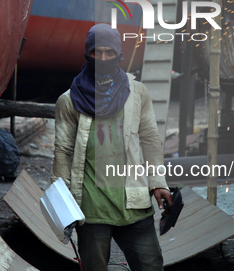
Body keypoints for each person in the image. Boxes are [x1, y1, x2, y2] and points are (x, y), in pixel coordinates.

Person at [51, 23, 172, 271]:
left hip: (135, 203)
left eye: (109, 52)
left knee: (151, 266)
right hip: (92, 208)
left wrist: (158, 182)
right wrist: (62, 206)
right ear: (88, 54)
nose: (103, 58)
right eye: (97, 52)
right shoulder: (69, 101)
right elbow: (63, 151)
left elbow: (150, 139)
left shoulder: (137, 93)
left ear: (119, 55)